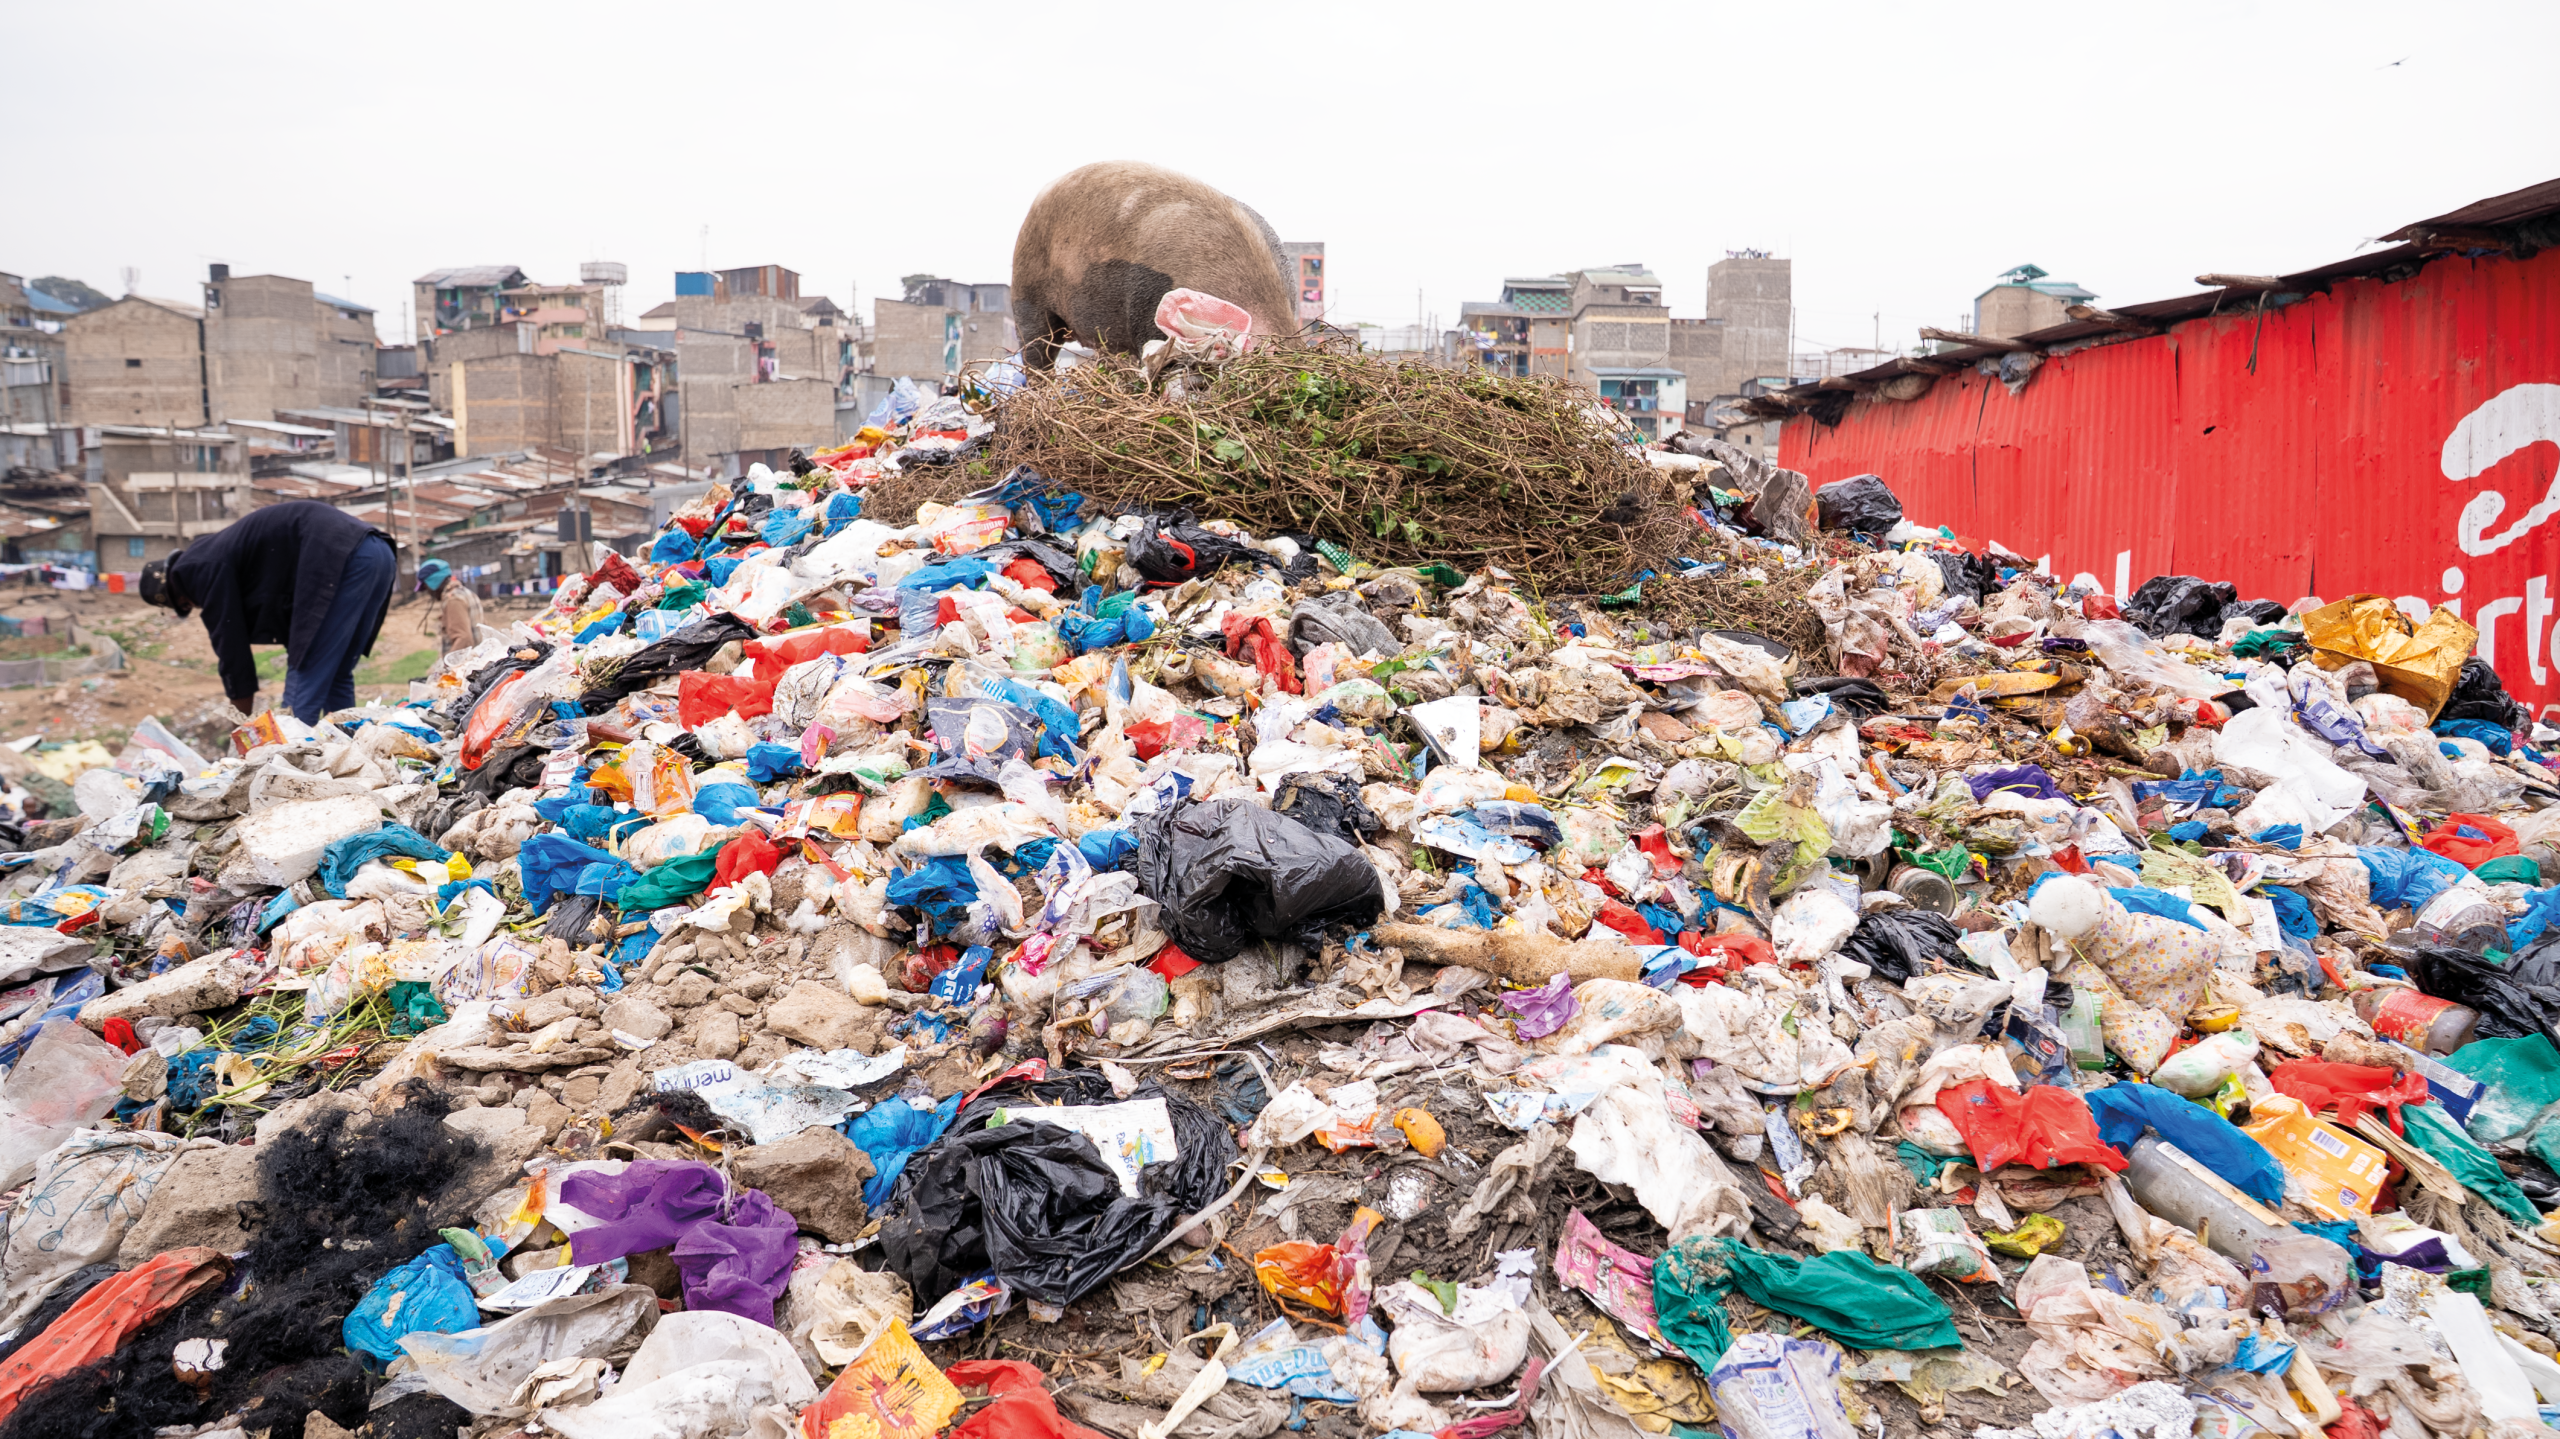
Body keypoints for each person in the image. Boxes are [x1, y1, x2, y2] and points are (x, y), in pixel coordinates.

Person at [136, 501, 397, 725]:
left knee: (304, 673)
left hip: (341, 557)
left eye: (186, 606)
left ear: (181, 601)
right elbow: (279, 610)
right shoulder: (217, 553)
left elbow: (232, 649)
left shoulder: (198, 570)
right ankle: (349, 751)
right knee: (336, 672)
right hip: (378, 553)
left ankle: (287, 771)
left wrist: (240, 726)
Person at [419, 558, 483, 654]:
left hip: (468, 664)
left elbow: (464, 639)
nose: (428, 591)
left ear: (434, 581)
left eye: (426, 586)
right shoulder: (464, 592)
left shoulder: (453, 600)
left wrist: (447, 666)